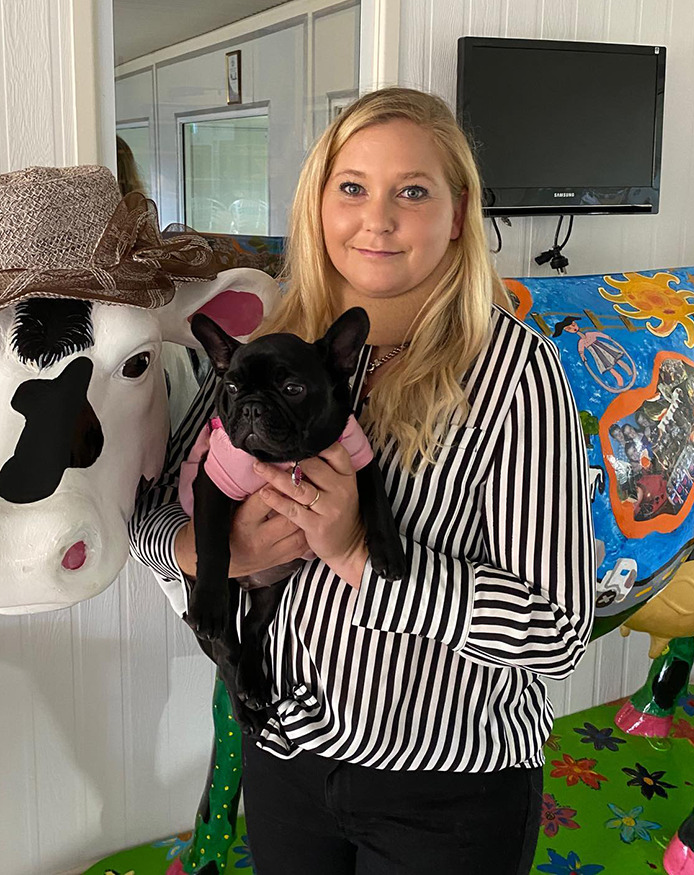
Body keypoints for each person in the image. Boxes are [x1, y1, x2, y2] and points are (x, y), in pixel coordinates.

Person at [129, 87, 595, 874]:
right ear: (319, 204)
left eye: (412, 191)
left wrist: (358, 555)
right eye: (353, 188)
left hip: (449, 786)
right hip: (286, 754)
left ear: (457, 214)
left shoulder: (518, 376)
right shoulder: (266, 349)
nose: (377, 218)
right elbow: (144, 520)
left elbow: (556, 628)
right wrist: (217, 551)